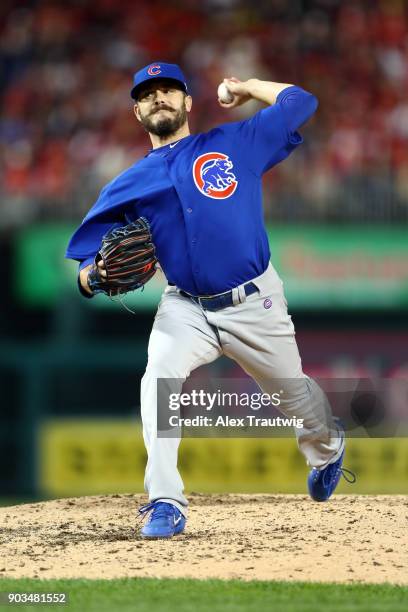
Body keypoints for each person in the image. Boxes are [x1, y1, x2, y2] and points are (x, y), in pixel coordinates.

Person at [66, 62, 354, 539]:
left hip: (254, 300)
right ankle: (165, 501)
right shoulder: (127, 185)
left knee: (294, 397)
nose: (159, 98)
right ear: (137, 111)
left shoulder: (232, 143)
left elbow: (301, 102)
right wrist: (92, 277)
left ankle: (328, 447)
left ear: (188, 103)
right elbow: (81, 264)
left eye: (168, 90)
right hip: (185, 308)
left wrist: (247, 88)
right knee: (158, 377)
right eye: (148, 94)